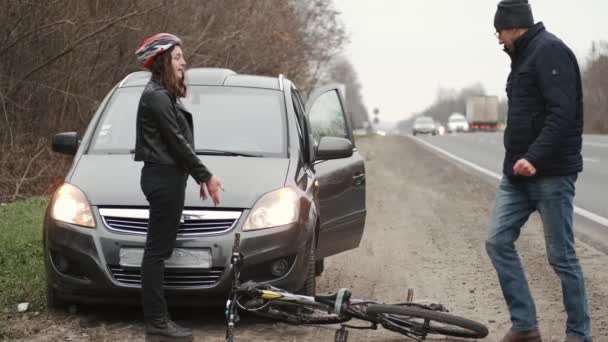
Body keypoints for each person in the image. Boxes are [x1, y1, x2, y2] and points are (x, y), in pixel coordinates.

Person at [487, 1, 592, 342]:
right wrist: (515, 163)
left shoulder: (550, 52)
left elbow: (563, 113)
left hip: (550, 174)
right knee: (497, 241)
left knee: (561, 257)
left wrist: (535, 157)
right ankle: (525, 326)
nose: (498, 40)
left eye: (499, 31)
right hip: (516, 176)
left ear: (514, 26)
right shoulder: (522, 58)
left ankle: (579, 334)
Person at [134, 33, 223, 340]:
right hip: (162, 179)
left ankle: (158, 321)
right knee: (156, 252)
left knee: (158, 250)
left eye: (182, 57)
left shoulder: (164, 95)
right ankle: (157, 323)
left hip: (167, 177)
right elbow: (177, 143)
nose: (184, 61)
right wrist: (205, 176)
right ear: (162, 61)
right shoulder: (157, 96)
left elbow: (179, 145)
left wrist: (194, 175)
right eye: (177, 57)